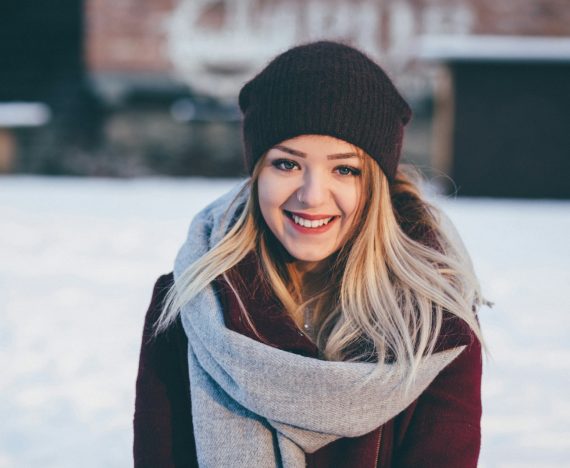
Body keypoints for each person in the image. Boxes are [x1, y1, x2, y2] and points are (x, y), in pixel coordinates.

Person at [133, 40, 491, 468]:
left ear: (374, 185)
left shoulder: (435, 323)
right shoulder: (188, 304)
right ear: (256, 173)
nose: (311, 196)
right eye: (287, 164)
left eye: (345, 169)